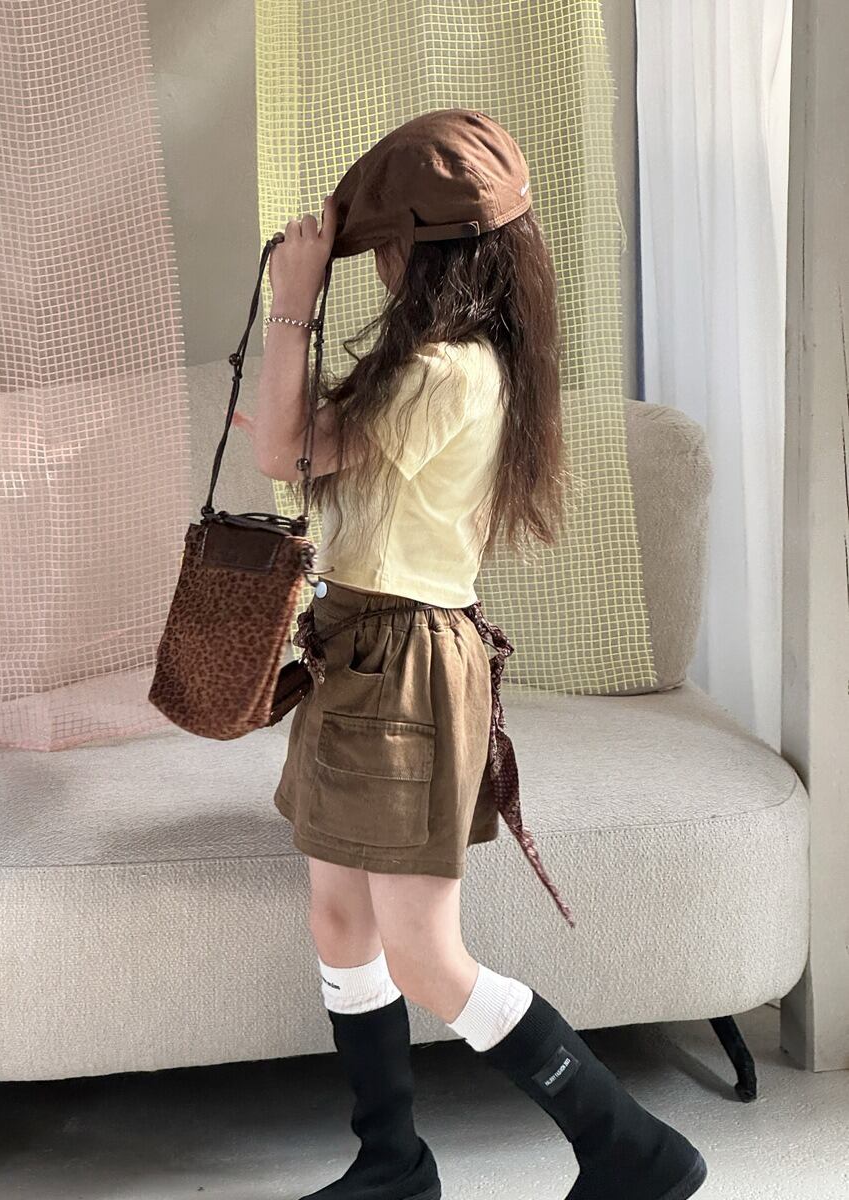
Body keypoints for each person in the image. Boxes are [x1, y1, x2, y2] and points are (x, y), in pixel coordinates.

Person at [243, 110, 708, 1200]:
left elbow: (282, 449)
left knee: (424, 954)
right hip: (361, 646)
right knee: (340, 916)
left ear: (423, 252)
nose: (378, 265)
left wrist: (292, 307)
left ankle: (634, 1148)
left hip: (401, 662)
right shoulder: (452, 362)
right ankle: (392, 1164)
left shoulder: (448, 370)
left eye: (386, 246)